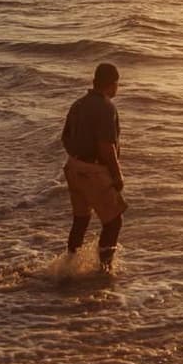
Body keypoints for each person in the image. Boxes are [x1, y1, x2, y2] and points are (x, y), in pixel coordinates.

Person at [60, 61, 126, 272]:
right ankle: (105, 270)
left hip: (73, 166)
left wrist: (79, 157)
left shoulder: (78, 104)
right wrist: (117, 176)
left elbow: (65, 138)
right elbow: (106, 147)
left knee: (81, 219)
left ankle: (69, 265)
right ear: (112, 84)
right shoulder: (107, 107)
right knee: (113, 222)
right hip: (93, 170)